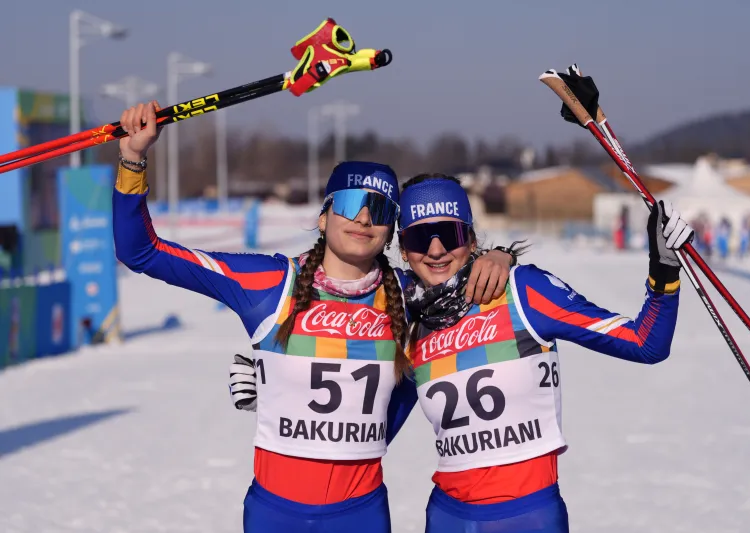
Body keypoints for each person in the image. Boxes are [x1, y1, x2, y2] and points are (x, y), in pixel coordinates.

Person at [113, 101, 514, 533]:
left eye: (379, 210)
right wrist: (133, 158)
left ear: (390, 230)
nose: (363, 218)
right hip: (274, 513)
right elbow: (141, 252)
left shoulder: (409, 293)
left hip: (361, 515)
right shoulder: (270, 283)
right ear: (323, 217)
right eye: (350, 204)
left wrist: (498, 256)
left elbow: (455, 273)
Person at [396, 174, 693, 533]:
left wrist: (664, 271)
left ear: (471, 237)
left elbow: (646, 344)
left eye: (450, 233)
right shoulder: (410, 320)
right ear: (402, 249)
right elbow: (370, 433)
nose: (436, 249)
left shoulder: (522, 291)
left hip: (528, 517)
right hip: (447, 518)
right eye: (418, 237)